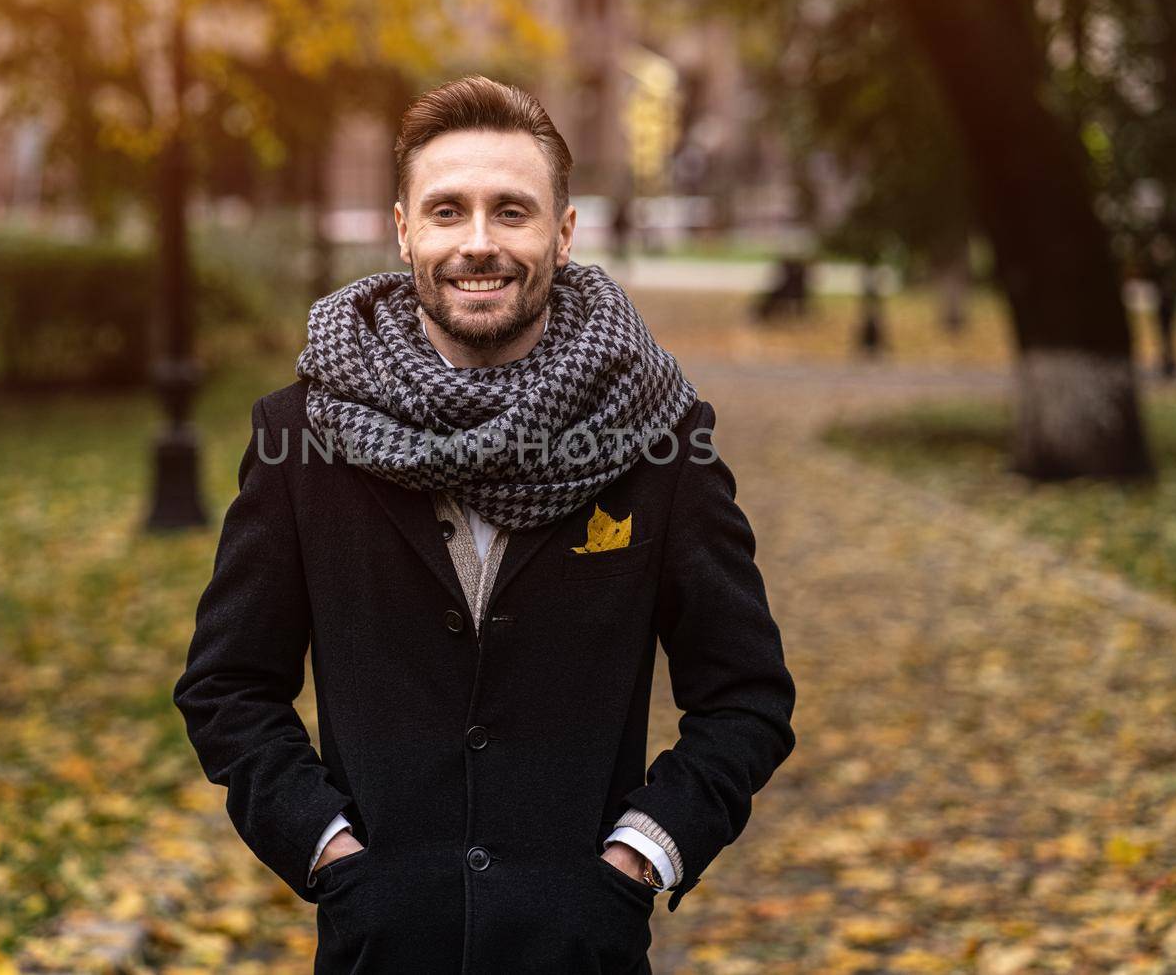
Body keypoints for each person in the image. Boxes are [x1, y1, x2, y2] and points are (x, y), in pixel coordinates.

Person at [173, 75, 796, 974]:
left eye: (511, 211)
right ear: (403, 231)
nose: (478, 243)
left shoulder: (658, 437)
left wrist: (640, 857)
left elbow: (746, 697)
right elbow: (228, 686)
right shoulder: (301, 434)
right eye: (447, 211)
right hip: (377, 947)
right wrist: (329, 851)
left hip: (582, 948)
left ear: (564, 233)